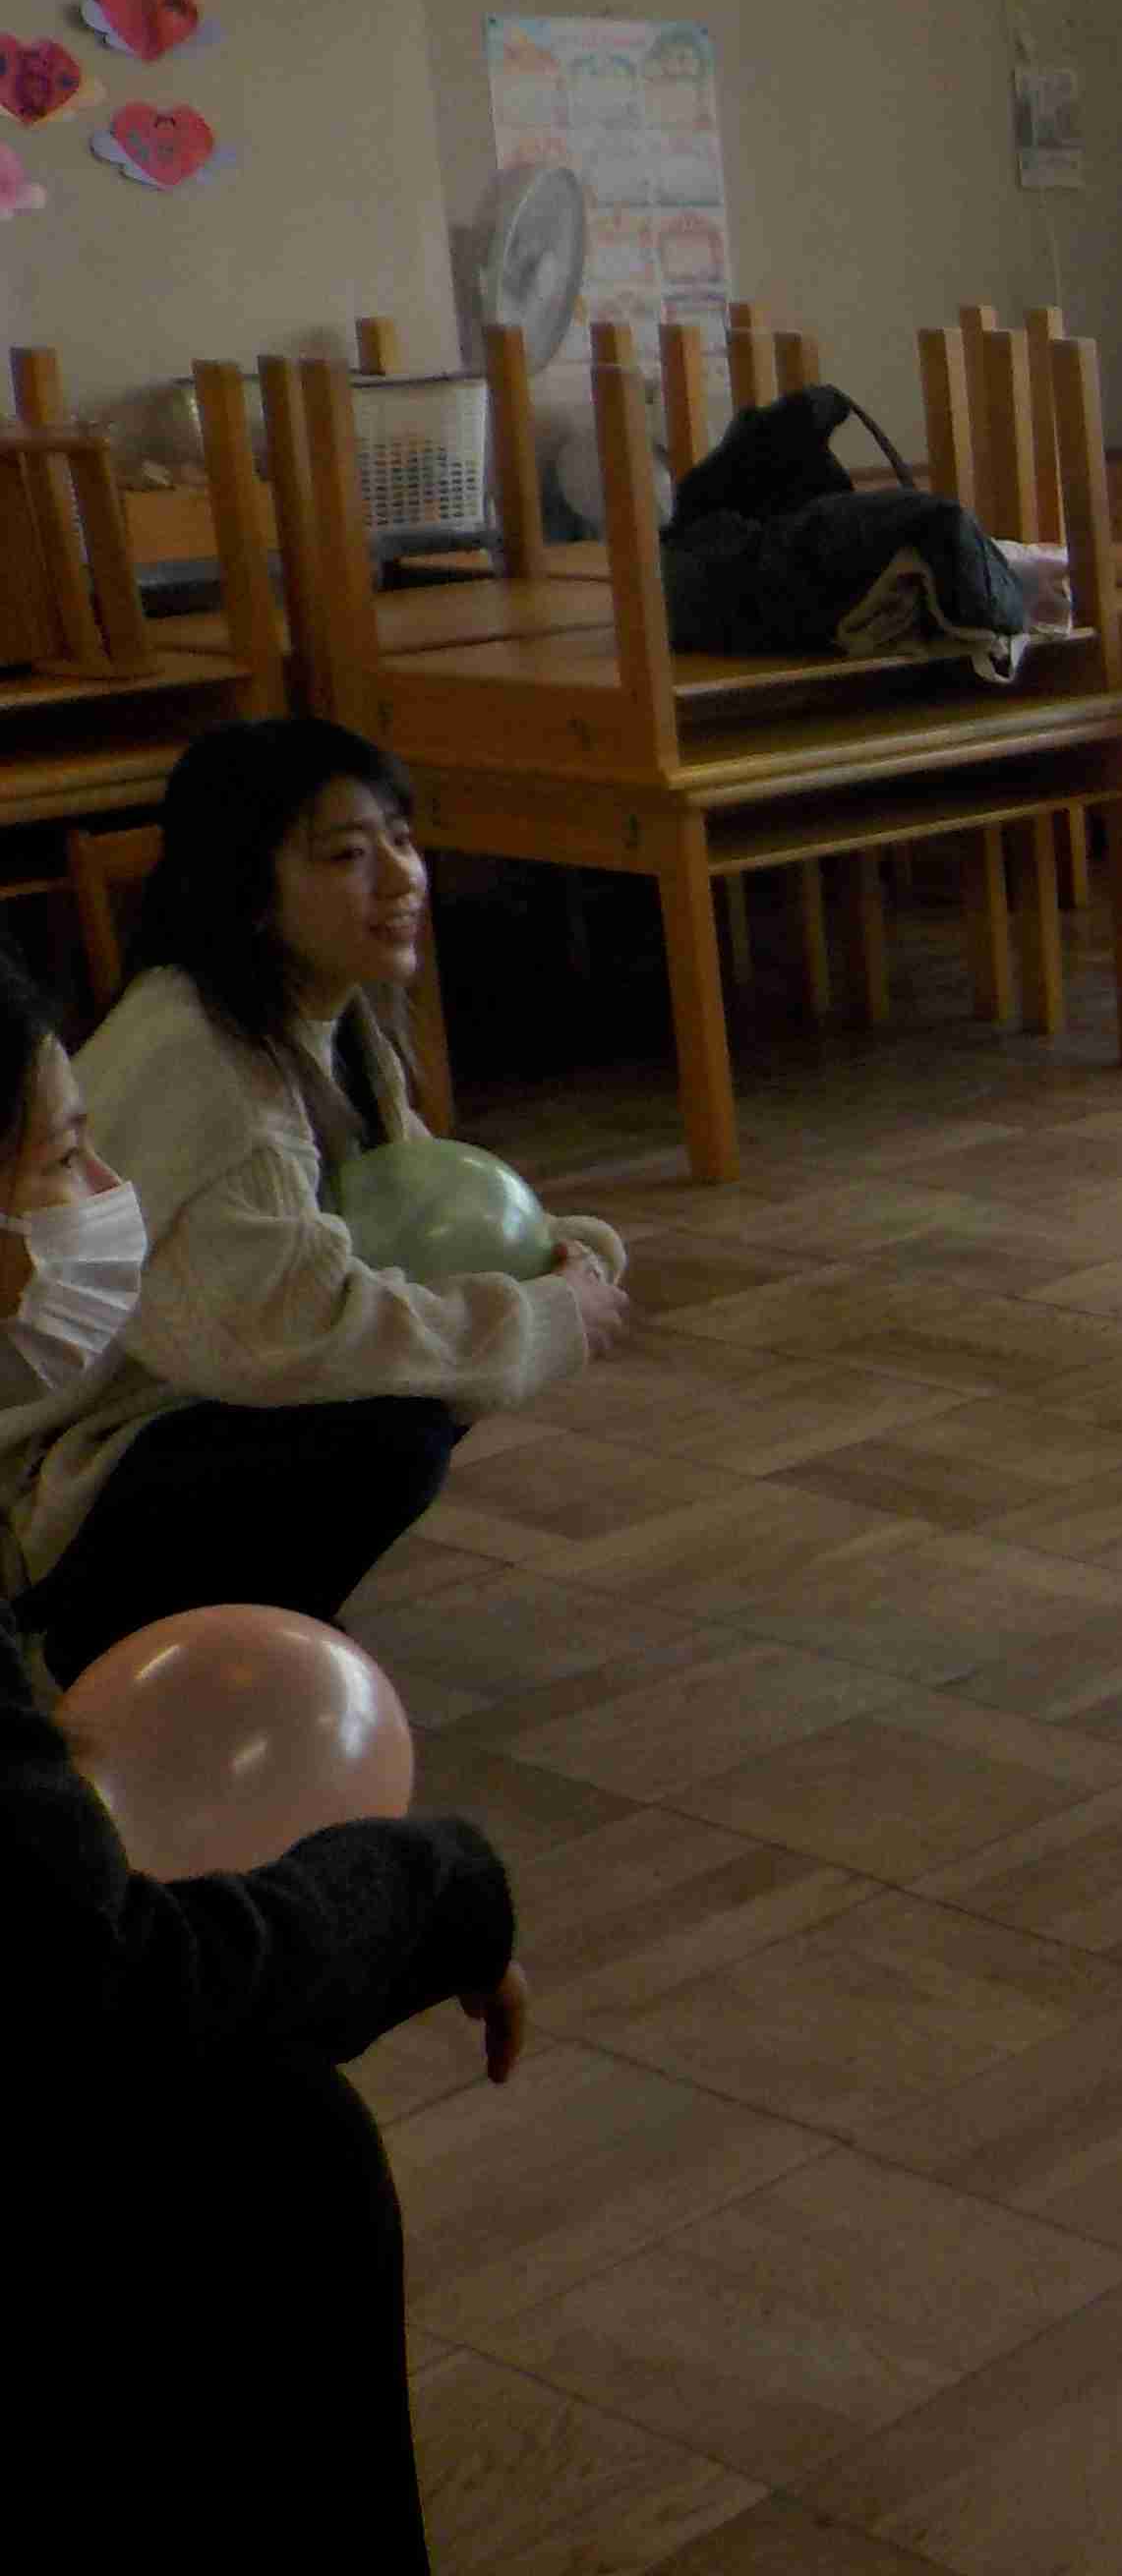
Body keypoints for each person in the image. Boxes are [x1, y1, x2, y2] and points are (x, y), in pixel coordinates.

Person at [0, 938, 530, 2574]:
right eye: (60, 1158)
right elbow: (110, 1987)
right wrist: (426, 1885)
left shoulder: (348, 1037)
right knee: (269, 2157)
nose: (106, 1199)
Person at [0, 720, 630, 1683]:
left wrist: (556, 1257)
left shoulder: (322, 1013)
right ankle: (128, 1634)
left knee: (423, 1373)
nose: (400, 877)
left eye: (402, 839)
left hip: (182, 1395)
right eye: (346, 854)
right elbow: (287, 1333)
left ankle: (244, 1617)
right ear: (250, 893)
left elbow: (413, 1212)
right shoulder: (204, 1058)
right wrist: (539, 1315)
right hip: (51, 1480)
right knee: (390, 1429)